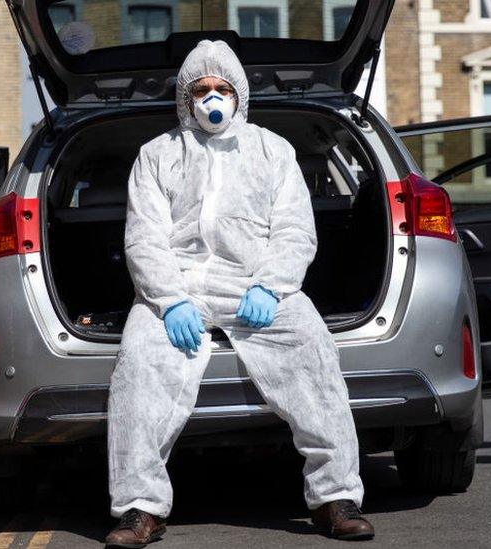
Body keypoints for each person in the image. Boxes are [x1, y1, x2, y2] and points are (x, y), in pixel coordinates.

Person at [104, 40, 372, 548]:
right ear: (185, 99)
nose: (212, 98)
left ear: (239, 95)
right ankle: (139, 507)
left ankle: (336, 498)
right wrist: (169, 299)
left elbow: (294, 231)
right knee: (139, 366)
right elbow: (143, 237)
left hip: (257, 287)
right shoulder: (158, 155)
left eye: (222, 88)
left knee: (313, 352)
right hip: (177, 291)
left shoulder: (272, 150)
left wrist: (271, 286)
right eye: (201, 90)